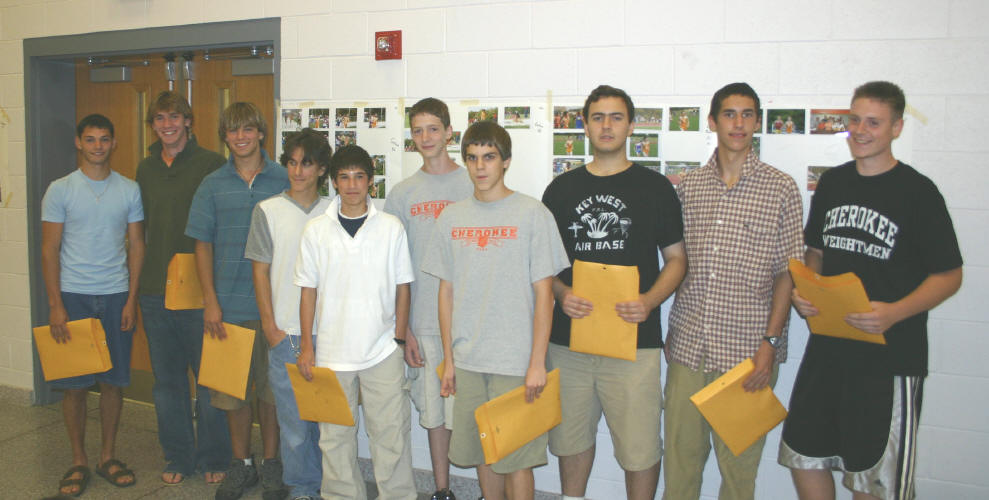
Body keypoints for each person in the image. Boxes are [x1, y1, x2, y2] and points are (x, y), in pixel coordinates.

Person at [779, 81, 963, 500]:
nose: (861, 130)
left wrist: (895, 312)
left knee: (874, 478)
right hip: (829, 350)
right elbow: (815, 252)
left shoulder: (919, 193)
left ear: (896, 128)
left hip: (889, 357)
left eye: (874, 123)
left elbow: (950, 275)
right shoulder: (833, 184)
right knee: (803, 455)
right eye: (855, 120)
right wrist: (807, 289)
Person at [541, 85, 686, 500]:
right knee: (570, 440)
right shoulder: (560, 189)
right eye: (598, 117)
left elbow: (677, 259)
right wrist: (560, 292)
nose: (607, 125)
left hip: (633, 342)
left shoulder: (656, 188)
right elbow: (543, 265)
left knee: (640, 448)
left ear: (631, 126)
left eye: (616, 117)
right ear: (585, 125)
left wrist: (649, 301)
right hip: (569, 341)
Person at [663, 82, 803, 500]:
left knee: (739, 475)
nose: (738, 123)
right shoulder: (689, 187)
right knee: (680, 467)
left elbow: (788, 273)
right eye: (729, 114)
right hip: (689, 347)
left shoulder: (780, 188)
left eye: (747, 114)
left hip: (748, 356)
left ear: (757, 122)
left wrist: (770, 343)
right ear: (712, 121)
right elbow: (676, 262)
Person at [423, 121, 569, 500]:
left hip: (516, 363)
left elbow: (545, 296)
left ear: (505, 161)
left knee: (517, 460)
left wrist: (536, 363)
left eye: (489, 157)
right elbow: (445, 293)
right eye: (472, 158)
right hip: (469, 361)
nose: (480, 167)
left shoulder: (532, 213)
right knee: (483, 454)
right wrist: (449, 361)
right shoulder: (451, 217)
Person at [294, 144, 417, 500]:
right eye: (344, 177)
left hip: (382, 351)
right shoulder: (316, 230)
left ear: (370, 182)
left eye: (359, 177)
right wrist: (307, 347)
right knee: (334, 439)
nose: (352, 185)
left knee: (391, 436)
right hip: (332, 353)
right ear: (333, 182)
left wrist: (397, 339)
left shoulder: (390, 227)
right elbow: (307, 292)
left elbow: (403, 286)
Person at [185, 102, 289, 500]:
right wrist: (210, 301)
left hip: (275, 311)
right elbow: (202, 245)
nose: (240, 137)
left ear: (261, 132)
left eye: (248, 129)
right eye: (233, 130)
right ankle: (241, 464)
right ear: (224, 137)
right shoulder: (211, 184)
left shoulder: (284, 178)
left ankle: (272, 463)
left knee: (271, 395)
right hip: (227, 309)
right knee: (232, 395)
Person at [41, 114, 145, 496]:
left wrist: (131, 299)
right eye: (90, 139)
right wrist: (56, 304)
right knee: (75, 387)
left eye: (104, 139)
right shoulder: (60, 190)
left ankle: (107, 456)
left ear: (113, 143)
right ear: (78, 143)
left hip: (116, 296)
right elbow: (49, 250)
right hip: (74, 297)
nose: (97, 146)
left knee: (113, 383)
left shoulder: (129, 189)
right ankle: (79, 460)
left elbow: (137, 246)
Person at [135, 91, 231, 486]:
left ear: (188, 121)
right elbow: (140, 232)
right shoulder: (145, 168)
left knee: (209, 380)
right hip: (155, 290)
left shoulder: (211, 164)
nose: (167, 125)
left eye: (174, 117)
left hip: (198, 291)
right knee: (167, 383)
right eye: (159, 119)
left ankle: (215, 456)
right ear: (153, 125)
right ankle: (178, 455)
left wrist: (215, 295)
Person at [384, 98, 473, 500]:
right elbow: (395, 269)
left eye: (433, 128)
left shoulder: (474, 183)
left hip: (471, 322)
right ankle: (442, 489)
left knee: (473, 409)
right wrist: (404, 329)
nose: (425, 137)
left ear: (449, 132)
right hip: (424, 322)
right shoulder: (402, 194)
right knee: (435, 414)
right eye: (417, 130)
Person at [245, 129, 333, 500]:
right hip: (286, 334)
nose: (297, 171)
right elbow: (260, 272)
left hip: (329, 334)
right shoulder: (267, 211)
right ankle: (301, 490)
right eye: (292, 163)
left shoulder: (335, 210)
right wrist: (270, 328)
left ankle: (331, 488)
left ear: (321, 169)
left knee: (329, 425)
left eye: (306, 164)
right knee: (294, 427)